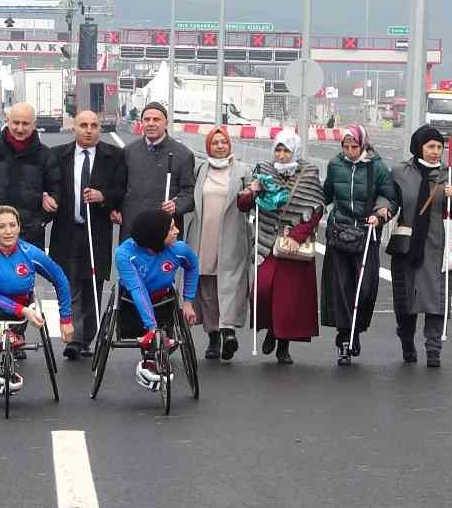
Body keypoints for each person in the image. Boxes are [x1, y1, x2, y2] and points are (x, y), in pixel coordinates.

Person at [387, 125, 452, 368]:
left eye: (439, 147)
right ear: (418, 147)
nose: (436, 152)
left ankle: (434, 349)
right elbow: (391, 201)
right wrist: (381, 211)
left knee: (437, 301)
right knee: (405, 301)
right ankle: (406, 342)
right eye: (430, 147)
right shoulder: (401, 172)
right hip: (407, 248)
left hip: (439, 249)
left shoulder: (451, 174)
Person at [242, 131, 324, 365]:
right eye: (278, 150)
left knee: (289, 299)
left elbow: (316, 207)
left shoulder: (308, 173)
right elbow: (245, 205)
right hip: (267, 240)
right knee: (263, 291)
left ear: (295, 151)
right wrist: (252, 192)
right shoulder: (263, 171)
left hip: (294, 245)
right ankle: (270, 329)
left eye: (286, 150)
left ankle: (283, 343)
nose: (281, 154)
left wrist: (298, 236)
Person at [50, 110, 127, 360]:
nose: (88, 130)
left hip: (97, 231)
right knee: (69, 282)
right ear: (74, 127)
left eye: (94, 125)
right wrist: (44, 198)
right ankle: (75, 338)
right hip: (67, 230)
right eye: (83, 125)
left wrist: (104, 197)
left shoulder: (114, 156)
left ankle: (86, 336)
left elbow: (122, 189)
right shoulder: (57, 155)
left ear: (100, 129)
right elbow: (47, 185)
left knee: (92, 285)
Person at [0, 206, 74, 382]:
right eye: (1, 227)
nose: (8, 231)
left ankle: (9, 335)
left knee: (16, 316)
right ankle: (0, 335)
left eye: (12, 225)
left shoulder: (31, 253)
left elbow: (61, 279)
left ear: (19, 227)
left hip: (22, 301)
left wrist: (66, 319)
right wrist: (24, 311)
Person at [321, 124, 398, 365]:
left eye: (354, 146)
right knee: (342, 287)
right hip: (340, 234)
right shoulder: (335, 166)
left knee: (364, 289)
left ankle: (356, 328)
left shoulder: (377, 167)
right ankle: (345, 337)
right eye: (346, 147)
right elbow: (326, 195)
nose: (350, 151)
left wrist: (382, 211)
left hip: (366, 235)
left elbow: (390, 197)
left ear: (364, 145)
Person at [185, 125, 254, 362]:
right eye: (215, 143)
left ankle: (228, 331)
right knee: (206, 284)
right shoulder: (200, 169)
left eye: (223, 142)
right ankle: (213, 335)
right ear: (208, 147)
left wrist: (252, 194)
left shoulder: (243, 170)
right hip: (204, 234)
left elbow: (252, 202)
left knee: (232, 283)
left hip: (233, 234)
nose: (220, 146)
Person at [113, 209, 199, 386]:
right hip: (131, 301)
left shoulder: (179, 249)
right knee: (149, 327)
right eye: (171, 229)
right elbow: (138, 290)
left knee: (161, 325)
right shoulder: (124, 254)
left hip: (163, 299)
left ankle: (156, 351)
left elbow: (192, 266)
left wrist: (188, 302)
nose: (177, 232)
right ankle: (151, 356)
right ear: (157, 236)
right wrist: (152, 328)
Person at [0, 102, 59, 248]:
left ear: (34, 124)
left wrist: (40, 222)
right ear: (7, 122)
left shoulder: (45, 155)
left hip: (31, 237)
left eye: (25, 123)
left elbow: (56, 191)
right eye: (16, 123)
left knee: (25, 272)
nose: (20, 128)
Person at [118, 102, 195, 242]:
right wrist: (114, 208)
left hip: (166, 234)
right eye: (147, 120)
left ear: (166, 123)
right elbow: (119, 188)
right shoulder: (128, 152)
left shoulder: (183, 155)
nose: (151, 123)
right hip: (133, 231)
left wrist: (176, 205)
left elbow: (189, 194)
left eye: (156, 119)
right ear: (141, 123)